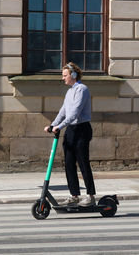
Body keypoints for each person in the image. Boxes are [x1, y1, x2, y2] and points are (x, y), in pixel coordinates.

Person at [44, 62, 96, 207]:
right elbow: (63, 112)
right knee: (68, 163)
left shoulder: (82, 90)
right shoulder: (69, 91)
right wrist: (53, 125)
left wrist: (59, 126)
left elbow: (74, 114)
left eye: (65, 75)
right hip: (71, 130)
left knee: (83, 162)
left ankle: (91, 196)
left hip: (82, 129)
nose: (63, 78)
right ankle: (74, 195)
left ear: (73, 75)